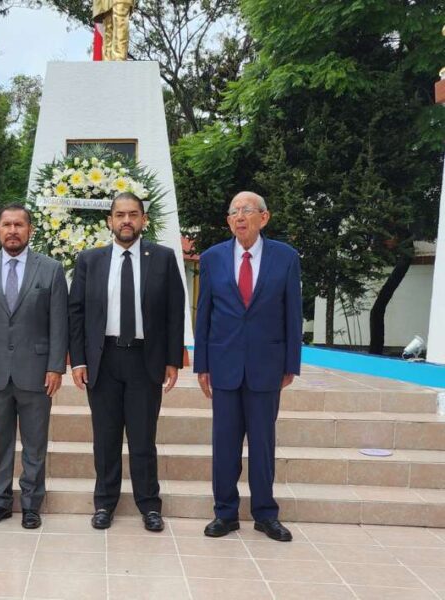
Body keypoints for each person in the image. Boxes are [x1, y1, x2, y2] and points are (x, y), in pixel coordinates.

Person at [68, 192, 185, 532]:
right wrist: (78, 360)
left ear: (143, 220)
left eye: (133, 214)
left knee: (143, 438)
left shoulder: (162, 258)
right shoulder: (90, 260)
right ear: (109, 221)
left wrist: (172, 358)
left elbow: (174, 310)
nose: (126, 221)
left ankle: (149, 504)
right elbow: (76, 312)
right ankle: (104, 503)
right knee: (105, 438)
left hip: (144, 359)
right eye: (120, 215)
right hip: (103, 359)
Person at [195, 191, 302, 542]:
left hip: (266, 366)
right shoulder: (212, 258)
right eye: (233, 212)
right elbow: (205, 312)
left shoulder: (285, 257)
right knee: (224, 444)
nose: (240, 217)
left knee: (262, 444)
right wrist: (203, 364)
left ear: (263, 218)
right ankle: (224, 513)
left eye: (247, 211)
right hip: (224, 365)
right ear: (228, 221)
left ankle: (265, 514)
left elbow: (292, 313)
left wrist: (291, 363)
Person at [0, 203, 68, 529]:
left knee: (35, 444)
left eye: (19, 225)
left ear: (30, 230)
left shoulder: (50, 269)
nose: (12, 230)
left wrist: (55, 367)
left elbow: (59, 322)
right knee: (0, 443)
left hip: (37, 373)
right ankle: (0, 503)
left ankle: (32, 505)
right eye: (6, 225)